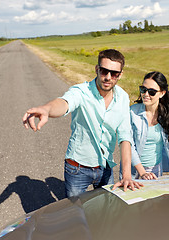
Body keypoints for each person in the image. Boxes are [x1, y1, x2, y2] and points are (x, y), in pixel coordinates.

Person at [22, 49, 143, 197]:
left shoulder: (123, 97)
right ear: (97, 69)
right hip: (78, 169)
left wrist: (126, 176)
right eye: (104, 71)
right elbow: (65, 103)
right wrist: (46, 109)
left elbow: (125, 137)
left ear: (120, 75)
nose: (108, 77)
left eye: (114, 74)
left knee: (105, 212)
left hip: (105, 168)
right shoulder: (81, 91)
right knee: (77, 214)